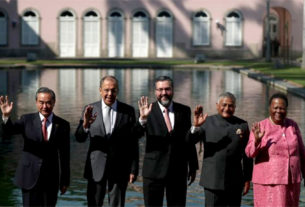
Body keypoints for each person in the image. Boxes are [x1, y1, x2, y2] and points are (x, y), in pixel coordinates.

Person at [75, 76, 139, 207]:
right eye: (106, 90)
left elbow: (132, 143)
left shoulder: (128, 111)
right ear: (100, 90)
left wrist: (133, 169)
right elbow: (79, 138)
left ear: (118, 91)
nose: (110, 94)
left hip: (120, 167)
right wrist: (86, 124)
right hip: (95, 167)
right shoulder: (90, 109)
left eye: (113, 90)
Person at [0, 87, 70, 207]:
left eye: (48, 102)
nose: (45, 106)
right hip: (28, 176)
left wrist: (64, 181)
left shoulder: (63, 125)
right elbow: (8, 132)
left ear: (54, 102)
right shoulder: (26, 120)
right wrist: (6, 117)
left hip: (51, 179)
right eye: (41, 102)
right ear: (36, 102)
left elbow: (65, 155)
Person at [137, 76, 198, 207]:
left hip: (178, 171)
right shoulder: (146, 110)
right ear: (155, 91)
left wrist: (193, 166)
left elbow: (188, 142)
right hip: (153, 172)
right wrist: (142, 120)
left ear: (173, 90)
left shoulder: (184, 110)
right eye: (160, 90)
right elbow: (135, 135)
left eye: (167, 89)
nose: (164, 93)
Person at [188, 92, 253, 207]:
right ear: (217, 105)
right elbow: (190, 141)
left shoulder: (242, 125)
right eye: (224, 105)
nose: (227, 108)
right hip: (212, 180)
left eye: (230, 105)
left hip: (235, 181)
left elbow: (247, 154)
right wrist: (196, 126)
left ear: (235, 107)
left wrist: (247, 178)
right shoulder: (206, 122)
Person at [245, 93, 305, 207]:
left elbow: (302, 152)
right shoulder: (261, 126)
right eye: (275, 107)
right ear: (270, 108)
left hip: (292, 182)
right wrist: (257, 141)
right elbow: (249, 152)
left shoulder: (292, 125)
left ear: (286, 109)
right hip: (269, 183)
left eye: (282, 108)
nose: (278, 111)